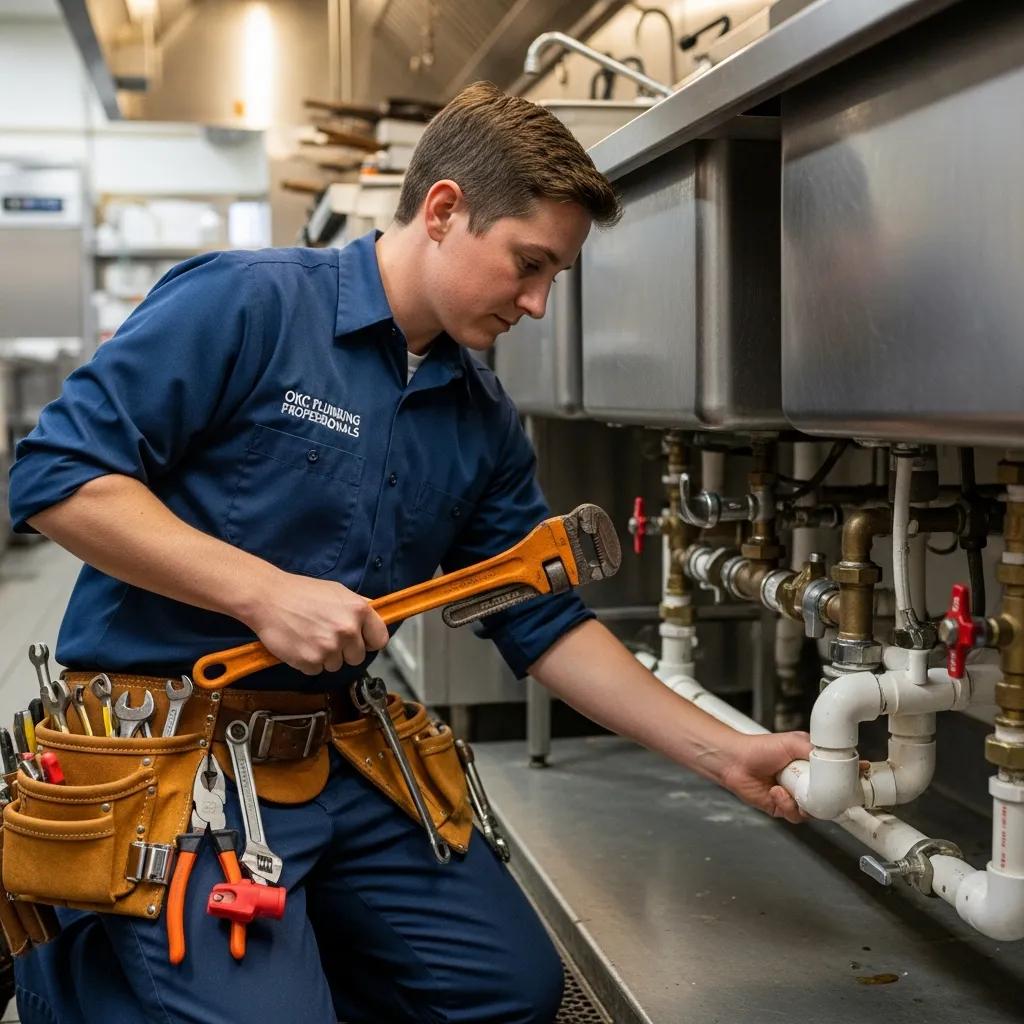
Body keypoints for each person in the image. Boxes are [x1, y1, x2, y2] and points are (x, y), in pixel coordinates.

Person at [7, 82, 810, 1024]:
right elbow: (57, 473)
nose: (540, 303)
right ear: (443, 211)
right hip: (178, 760)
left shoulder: (482, 417)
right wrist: (264, 593)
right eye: (528, 264)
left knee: (507, 990)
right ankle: (85, 963)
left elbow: (541, 617)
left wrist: (726, 756)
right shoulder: (247, 304)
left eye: (555, 276)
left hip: (336, 753)